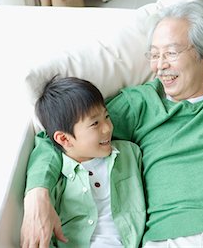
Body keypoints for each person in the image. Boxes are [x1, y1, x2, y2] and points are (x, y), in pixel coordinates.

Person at [21, 1, 203, 248]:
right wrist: (37, 193)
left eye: (171, 52)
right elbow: (57, 137)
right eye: (154, 54)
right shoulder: (140, 103)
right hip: (169, 240)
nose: (160, 66)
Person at [33, 76, 145, 247]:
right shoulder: (57, 179)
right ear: (64, 138)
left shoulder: (130, 153)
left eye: (107, 116)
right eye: (95, 124)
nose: (108, 127)